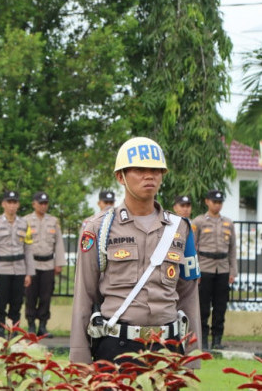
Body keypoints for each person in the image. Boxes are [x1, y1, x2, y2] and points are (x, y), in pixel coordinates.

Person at [70, 137, 201, 365]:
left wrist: (192, 354)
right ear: (120, 177)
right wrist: (80, 360)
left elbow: (189, 294)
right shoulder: (98, 228)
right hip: (116, 348)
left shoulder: (180, 228)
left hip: (167, 347)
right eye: (140, 169)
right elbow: (84, 294)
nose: (149, 175)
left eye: (156, 170)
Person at [0, 191, 35, 339]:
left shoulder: (24, 224)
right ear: (3, 204)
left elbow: (28, 248)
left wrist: (29, 273)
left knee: (17, 303)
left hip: (19, 269)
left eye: (14, 202)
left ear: (18, 205)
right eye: (9, 202)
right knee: (0, 303)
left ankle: (14, 333)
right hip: (2, 268)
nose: (12, 206)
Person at [192, 189, 236, 350]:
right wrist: (195, 272)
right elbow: (193, 248)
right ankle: (203, 341)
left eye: (220, 202)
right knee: (203, 307)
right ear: (207, 202)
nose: (217, 205)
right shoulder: (198, 221)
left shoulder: (228, 223)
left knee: (220, 306)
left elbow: (232, 249)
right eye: (214, 202)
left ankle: (217, 341)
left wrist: (233, 271)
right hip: (205, 267)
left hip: (223, 268)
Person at [24, 191, 66, 338]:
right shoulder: (26, 221)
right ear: (34, 204)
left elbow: (59, 244)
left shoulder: (53, 221)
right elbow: (23, 244)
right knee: (30, 295)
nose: (43, 206)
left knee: (46, 296)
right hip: (32, 264)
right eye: (40, 203)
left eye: (45, 203)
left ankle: (42, 325)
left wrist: (59, 263)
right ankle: (30, 325)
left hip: (48, 264)